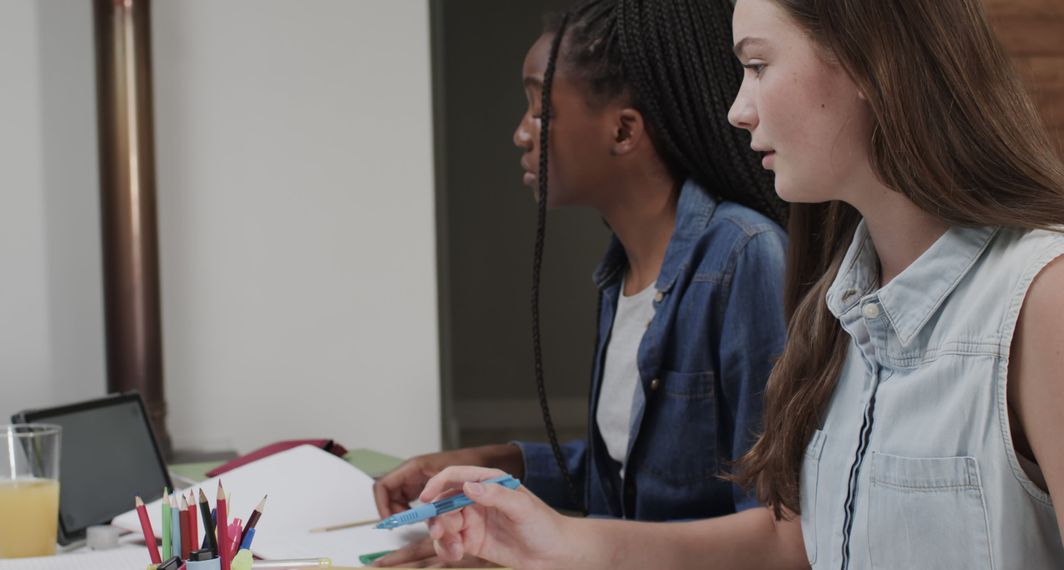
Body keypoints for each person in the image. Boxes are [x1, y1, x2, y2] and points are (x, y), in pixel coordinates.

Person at [418, 0, 1064, 567]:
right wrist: (556, 543)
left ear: (871, 62)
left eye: (756, 65)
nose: (737, 110)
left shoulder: (1041, 301)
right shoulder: (835, 309)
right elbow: (798, 543)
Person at [372, 0, 789, 566]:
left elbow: (776, 532)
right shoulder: (622, 269)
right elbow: (631, 473)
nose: (521, 133)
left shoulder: (746, 258)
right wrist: (493, 465)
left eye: (540, 110)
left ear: (622, 130)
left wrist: (550, 553)